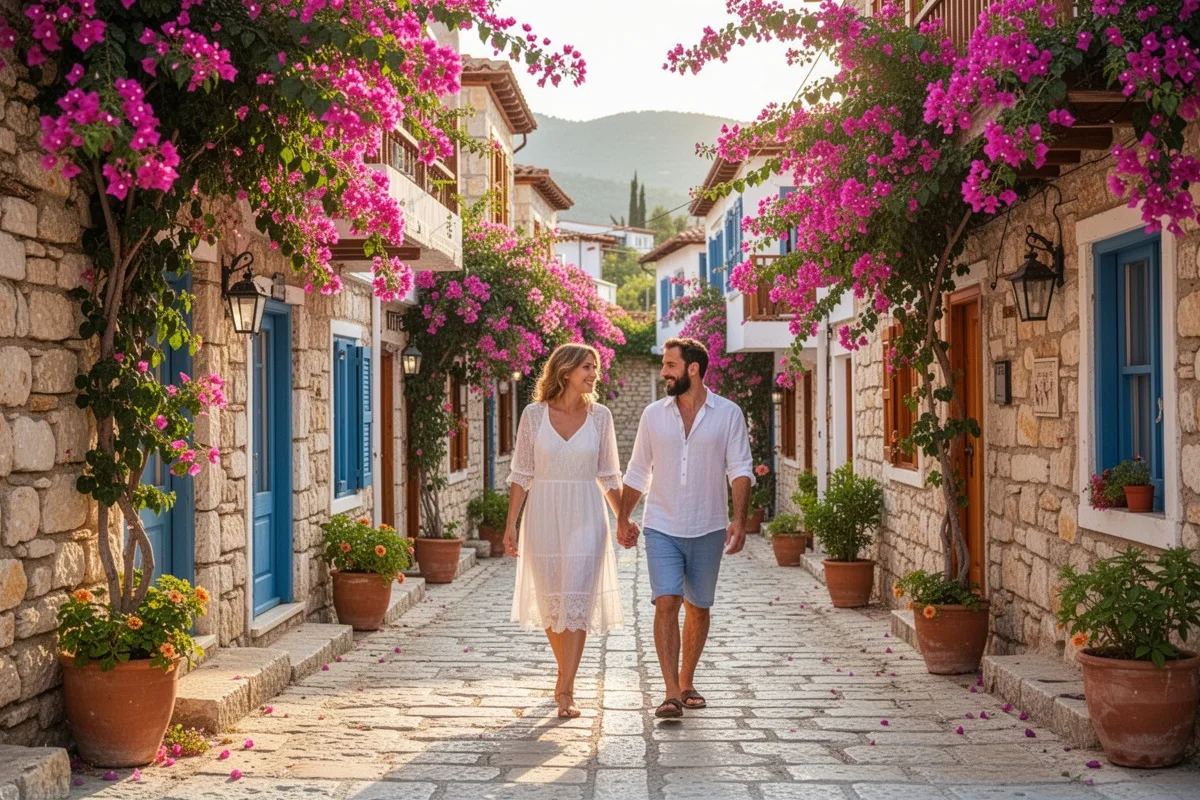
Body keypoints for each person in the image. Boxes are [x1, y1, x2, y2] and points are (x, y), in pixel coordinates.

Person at [617, 337, 754, 719]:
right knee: (667, 601)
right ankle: (671, 691)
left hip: (709, 525)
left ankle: (687, 678)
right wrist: (623, 517)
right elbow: (638, 470)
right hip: (661, 524)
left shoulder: (728, 414)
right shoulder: (653, 415)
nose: (664, 372)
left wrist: (739, 521)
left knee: (699, 605)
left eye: (670, 366)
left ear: (692, 369)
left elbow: (740, 469)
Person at [503, 343, 625, 718]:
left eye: (595, 368)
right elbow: (522, 473)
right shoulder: (533, 416)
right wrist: (511, 524)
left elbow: (608, 475)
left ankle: (565, 690)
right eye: (587, 367)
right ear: (565, 370)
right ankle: (565, 674)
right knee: (552, 602)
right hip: (543, 515)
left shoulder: (601, 417)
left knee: (578, 600)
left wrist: (624, 519)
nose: (593, 374)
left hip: (588, 515)